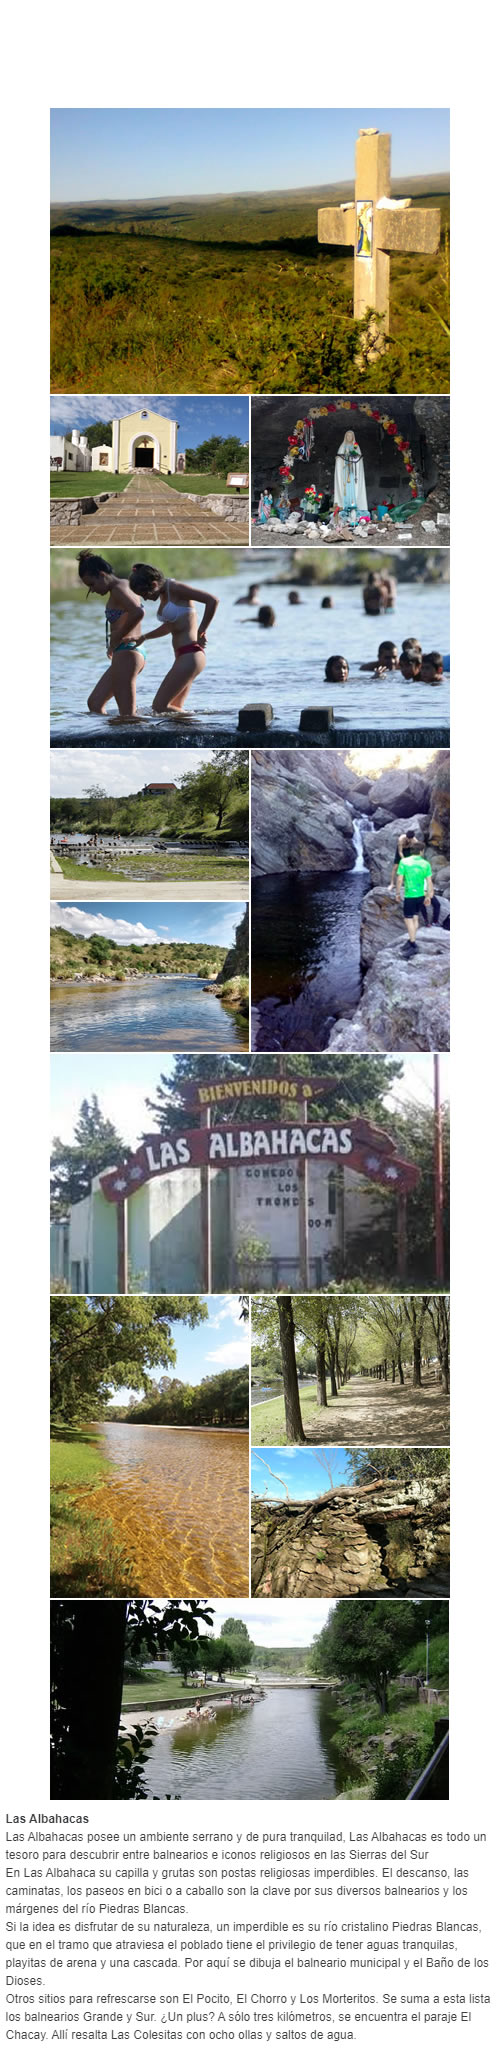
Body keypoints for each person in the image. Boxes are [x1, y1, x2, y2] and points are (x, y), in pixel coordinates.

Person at [129, 564, 218, 714]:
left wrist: (201, 630)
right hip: (184, 656)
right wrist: (144, 637)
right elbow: (170, 627)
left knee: (159, 707)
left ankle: (203, 728)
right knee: (174, 711)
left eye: (145, 593)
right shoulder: (165, 595)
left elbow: (212, 600)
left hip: (191, 654)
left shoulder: (175, 588)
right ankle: (194, 731)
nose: (145, 598)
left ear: (154, 584)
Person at [77, 551, 146, 718]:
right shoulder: (125, 584)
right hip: (128, 652)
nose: (92, 590)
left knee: (128, 717)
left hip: (128, 653)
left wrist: (116, 638)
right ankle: (109, 737)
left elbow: (137, 612)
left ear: (102, 575)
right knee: (95, 703)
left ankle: (137, 741)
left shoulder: (118, 590)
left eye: (92, 585)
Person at [396, 839, 433, 957]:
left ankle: (413, 944)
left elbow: (400, 879)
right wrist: (428, 896)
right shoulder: (426, 863)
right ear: (421, 851)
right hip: (421, 895)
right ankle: (412, 938)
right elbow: (429, 881)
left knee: (408, 919)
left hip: (410, 895)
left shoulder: (404, 862)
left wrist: (397, 893)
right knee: (415, 917)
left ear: (411, 851)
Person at [333, 427, 368, 518]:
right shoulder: (342, 446)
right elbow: (339, 459)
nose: (349, 437)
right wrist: (342, 459)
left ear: (353, 437)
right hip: (345, 472)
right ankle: (345, 506)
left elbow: (359, 460)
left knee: (354, 489)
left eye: (350, 436)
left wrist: (353, 458)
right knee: (345, 489)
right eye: (347, 436)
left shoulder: (356, 446)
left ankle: (354, 507)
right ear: (345, 437)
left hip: (353, 474)